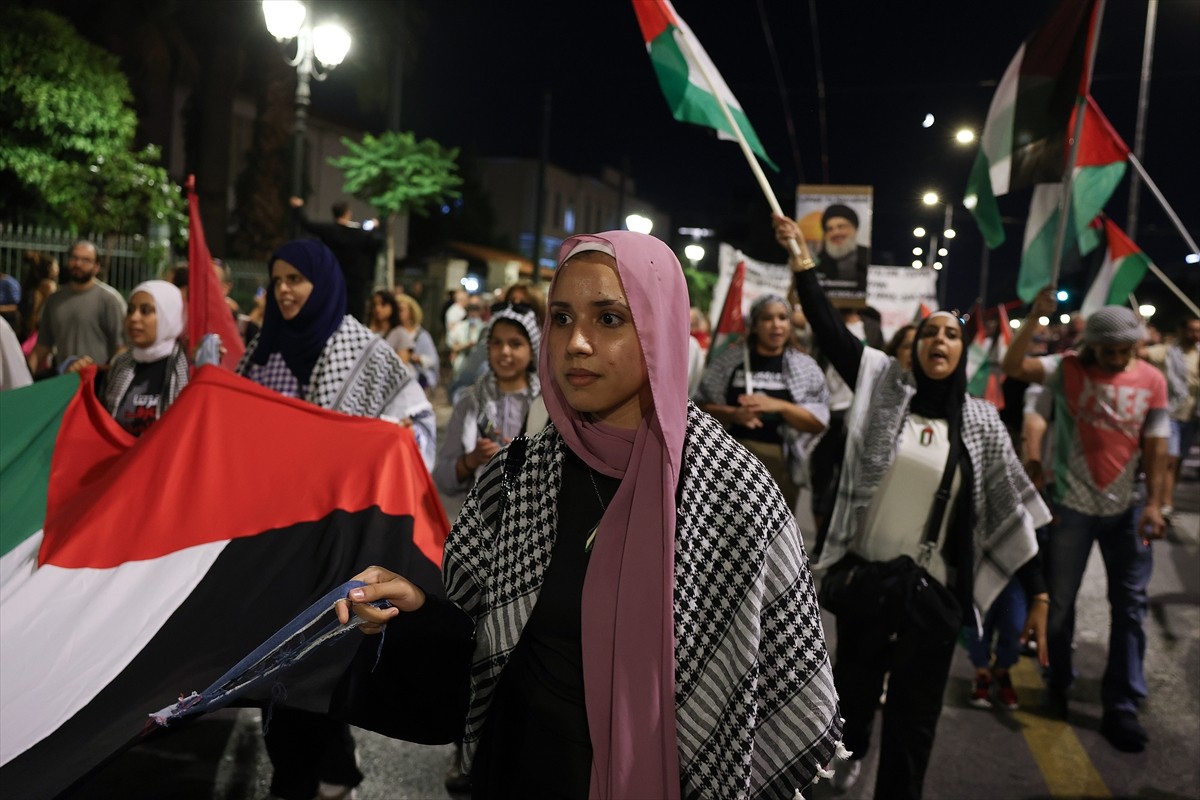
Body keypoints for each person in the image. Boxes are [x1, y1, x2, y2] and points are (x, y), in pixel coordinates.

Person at [337, 230, 843, 798]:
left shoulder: (732, 490)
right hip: (519, 770)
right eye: (560, 318)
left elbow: (768, 690)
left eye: (608, 319)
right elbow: (480, 641)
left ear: (659, 327)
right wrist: (417, 608)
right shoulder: (519, 472)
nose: (575, 343)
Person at [774, 214, 1049, 799]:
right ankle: (849, 756)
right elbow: (827, 327)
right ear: (915, 349)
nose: (939, 341)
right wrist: (803, 258)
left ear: (963, 350)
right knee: (850, 694)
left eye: (950, 334)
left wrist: (1041, 591)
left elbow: (1010, 509)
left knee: (915, 722)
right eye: (930, 335)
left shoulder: (979, 423)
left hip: (934, 597)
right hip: (868, 582)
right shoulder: (881, 390)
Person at [235, 239, 436, 800]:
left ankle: (293, 782)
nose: (284, 290)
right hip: (274, 541)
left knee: (311, 658)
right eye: (276, 281)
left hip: (340, 543)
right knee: (285, 659)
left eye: (296, 279)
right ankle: (333, 770)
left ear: (322, 284)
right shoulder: (261, 353)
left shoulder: (367, 355)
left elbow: (418, 426)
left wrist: (379, 447)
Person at [1008, 298, 1169, 753]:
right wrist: (1036, 316)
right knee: (1058, 606)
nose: (1117, 359)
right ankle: (1058, 678)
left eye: (1125, 350)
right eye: (1107, 350)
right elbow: (1013, 364)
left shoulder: (1152, 380)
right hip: (1071, 506)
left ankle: (1121, 704)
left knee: (1130, 606)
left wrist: (1156, 503)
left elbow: (1156, 444)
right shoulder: (1065, 369)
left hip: (1128, 509)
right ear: (1091, 345)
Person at [695, 294, 828, 509]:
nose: (776, 325)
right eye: (767, 318)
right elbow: (698, 407)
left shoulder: (804, 366)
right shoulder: (729, 360)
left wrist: (780, 406)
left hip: (778, 466)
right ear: (755, 325)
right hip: (726, 460)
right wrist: (733, 414)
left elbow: (817, 422)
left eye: (783, 318)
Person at [433, 303, 545, 497]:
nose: (505, 351)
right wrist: (472, 460)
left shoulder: (547, 406)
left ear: (532, 350)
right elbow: (442, 480)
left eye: (515, 344)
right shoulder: (470, 403)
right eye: (497, 343)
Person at [101, 280, 189, 436]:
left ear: (168, 316)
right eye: (130, 310)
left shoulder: (188, 368)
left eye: (145, 310)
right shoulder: (118, 364)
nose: (134, 318)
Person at [28, 240, 125, 375]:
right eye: (74, 258)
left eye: (86, 260)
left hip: (98, 380)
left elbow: (121, 349)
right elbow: (42, 346)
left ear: (96, 267)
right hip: (64, 381)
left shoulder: (110, 300)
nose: (78, 264)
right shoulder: (54, 300)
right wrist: (25, 378)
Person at [1141, 316, 1199, 521]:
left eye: (1198, 331)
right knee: (1169, 460)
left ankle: (1167, 497)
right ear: (1181, 331)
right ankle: (1164, 503)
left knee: (1178, 461)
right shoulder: (1166, 352)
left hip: (1191, 415)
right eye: (1191, 330)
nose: (1195, 335)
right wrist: (1141, 330)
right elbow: (1141, 353)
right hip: (1169, 413)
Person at [289, 196, 382, 323]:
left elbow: (307, 224)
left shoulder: (328, 230)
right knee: (354, 314)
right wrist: (376, 227)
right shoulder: (359, 233)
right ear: (348, 213)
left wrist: (298, 208)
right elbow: (376, 244)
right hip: (356, 281)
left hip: (332, 277)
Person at [815, 204, 871, 297]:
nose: (835, 233)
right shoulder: (817, 262)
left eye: (841, 227)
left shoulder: (867, 256)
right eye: (830, 229)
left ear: (854, 228)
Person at [394, 292, 440, 390]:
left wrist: (416, 358)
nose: (398, 313)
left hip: (416, 378)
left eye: (401, 310)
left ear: (411, 312)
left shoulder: (421, 335)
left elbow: (432, 360)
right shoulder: (392, 333)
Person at [367, 289, 415, 359]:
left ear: (392, 307)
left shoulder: (400, 333)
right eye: (375, 305)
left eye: (383, 304)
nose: (378, 308)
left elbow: (402, 364)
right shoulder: (367, 331)